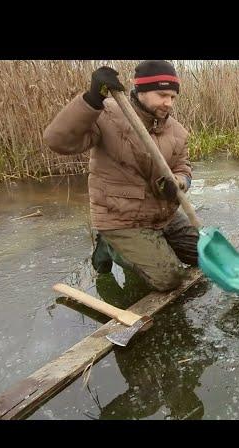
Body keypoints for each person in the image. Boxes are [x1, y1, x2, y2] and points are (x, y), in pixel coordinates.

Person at [44, 60, 198, 292]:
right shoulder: (106, 115)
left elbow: (183, 167)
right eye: (162, 94)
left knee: (203, 255)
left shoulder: (176, 130)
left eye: (173, 97)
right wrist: (91, 100)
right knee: (170, 279)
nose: (168, 103)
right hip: (122, 218)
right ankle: (112, 246)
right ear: (142, 90)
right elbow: (58, 141)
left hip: (163, 215)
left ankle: (154, 248)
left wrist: (180, 182)